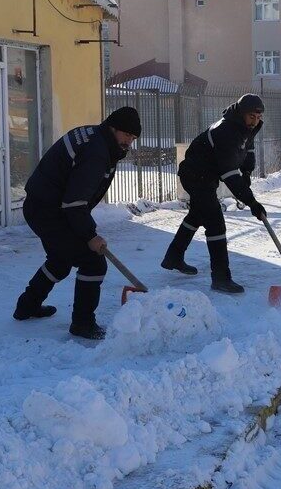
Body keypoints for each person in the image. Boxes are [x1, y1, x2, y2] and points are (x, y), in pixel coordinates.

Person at [14, 107, 141, 340]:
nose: (129, 143)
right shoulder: (97, 152)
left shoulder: (97, 138)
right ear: (113, 128)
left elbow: (74, 198)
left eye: (133, 139)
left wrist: (82, 229)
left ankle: (27, 305)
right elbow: (75, 202)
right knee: (93, 262)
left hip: (46, 205)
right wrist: (90, 235)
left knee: (60, 260)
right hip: (48, 210)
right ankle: (83, 323)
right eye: (127, 136)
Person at [161, 94, 267, 293]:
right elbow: (229, 174)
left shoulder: (245, 128)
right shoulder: (226, 131)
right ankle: (220, 278)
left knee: (198, 214)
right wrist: (252, 202)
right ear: (242, 113)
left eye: (258, 117)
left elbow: (247, 150)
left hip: (206, 175)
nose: (255, 121)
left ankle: (173, 257)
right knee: (215, 222)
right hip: (195, 174)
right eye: (251, 116)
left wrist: (246, 171)